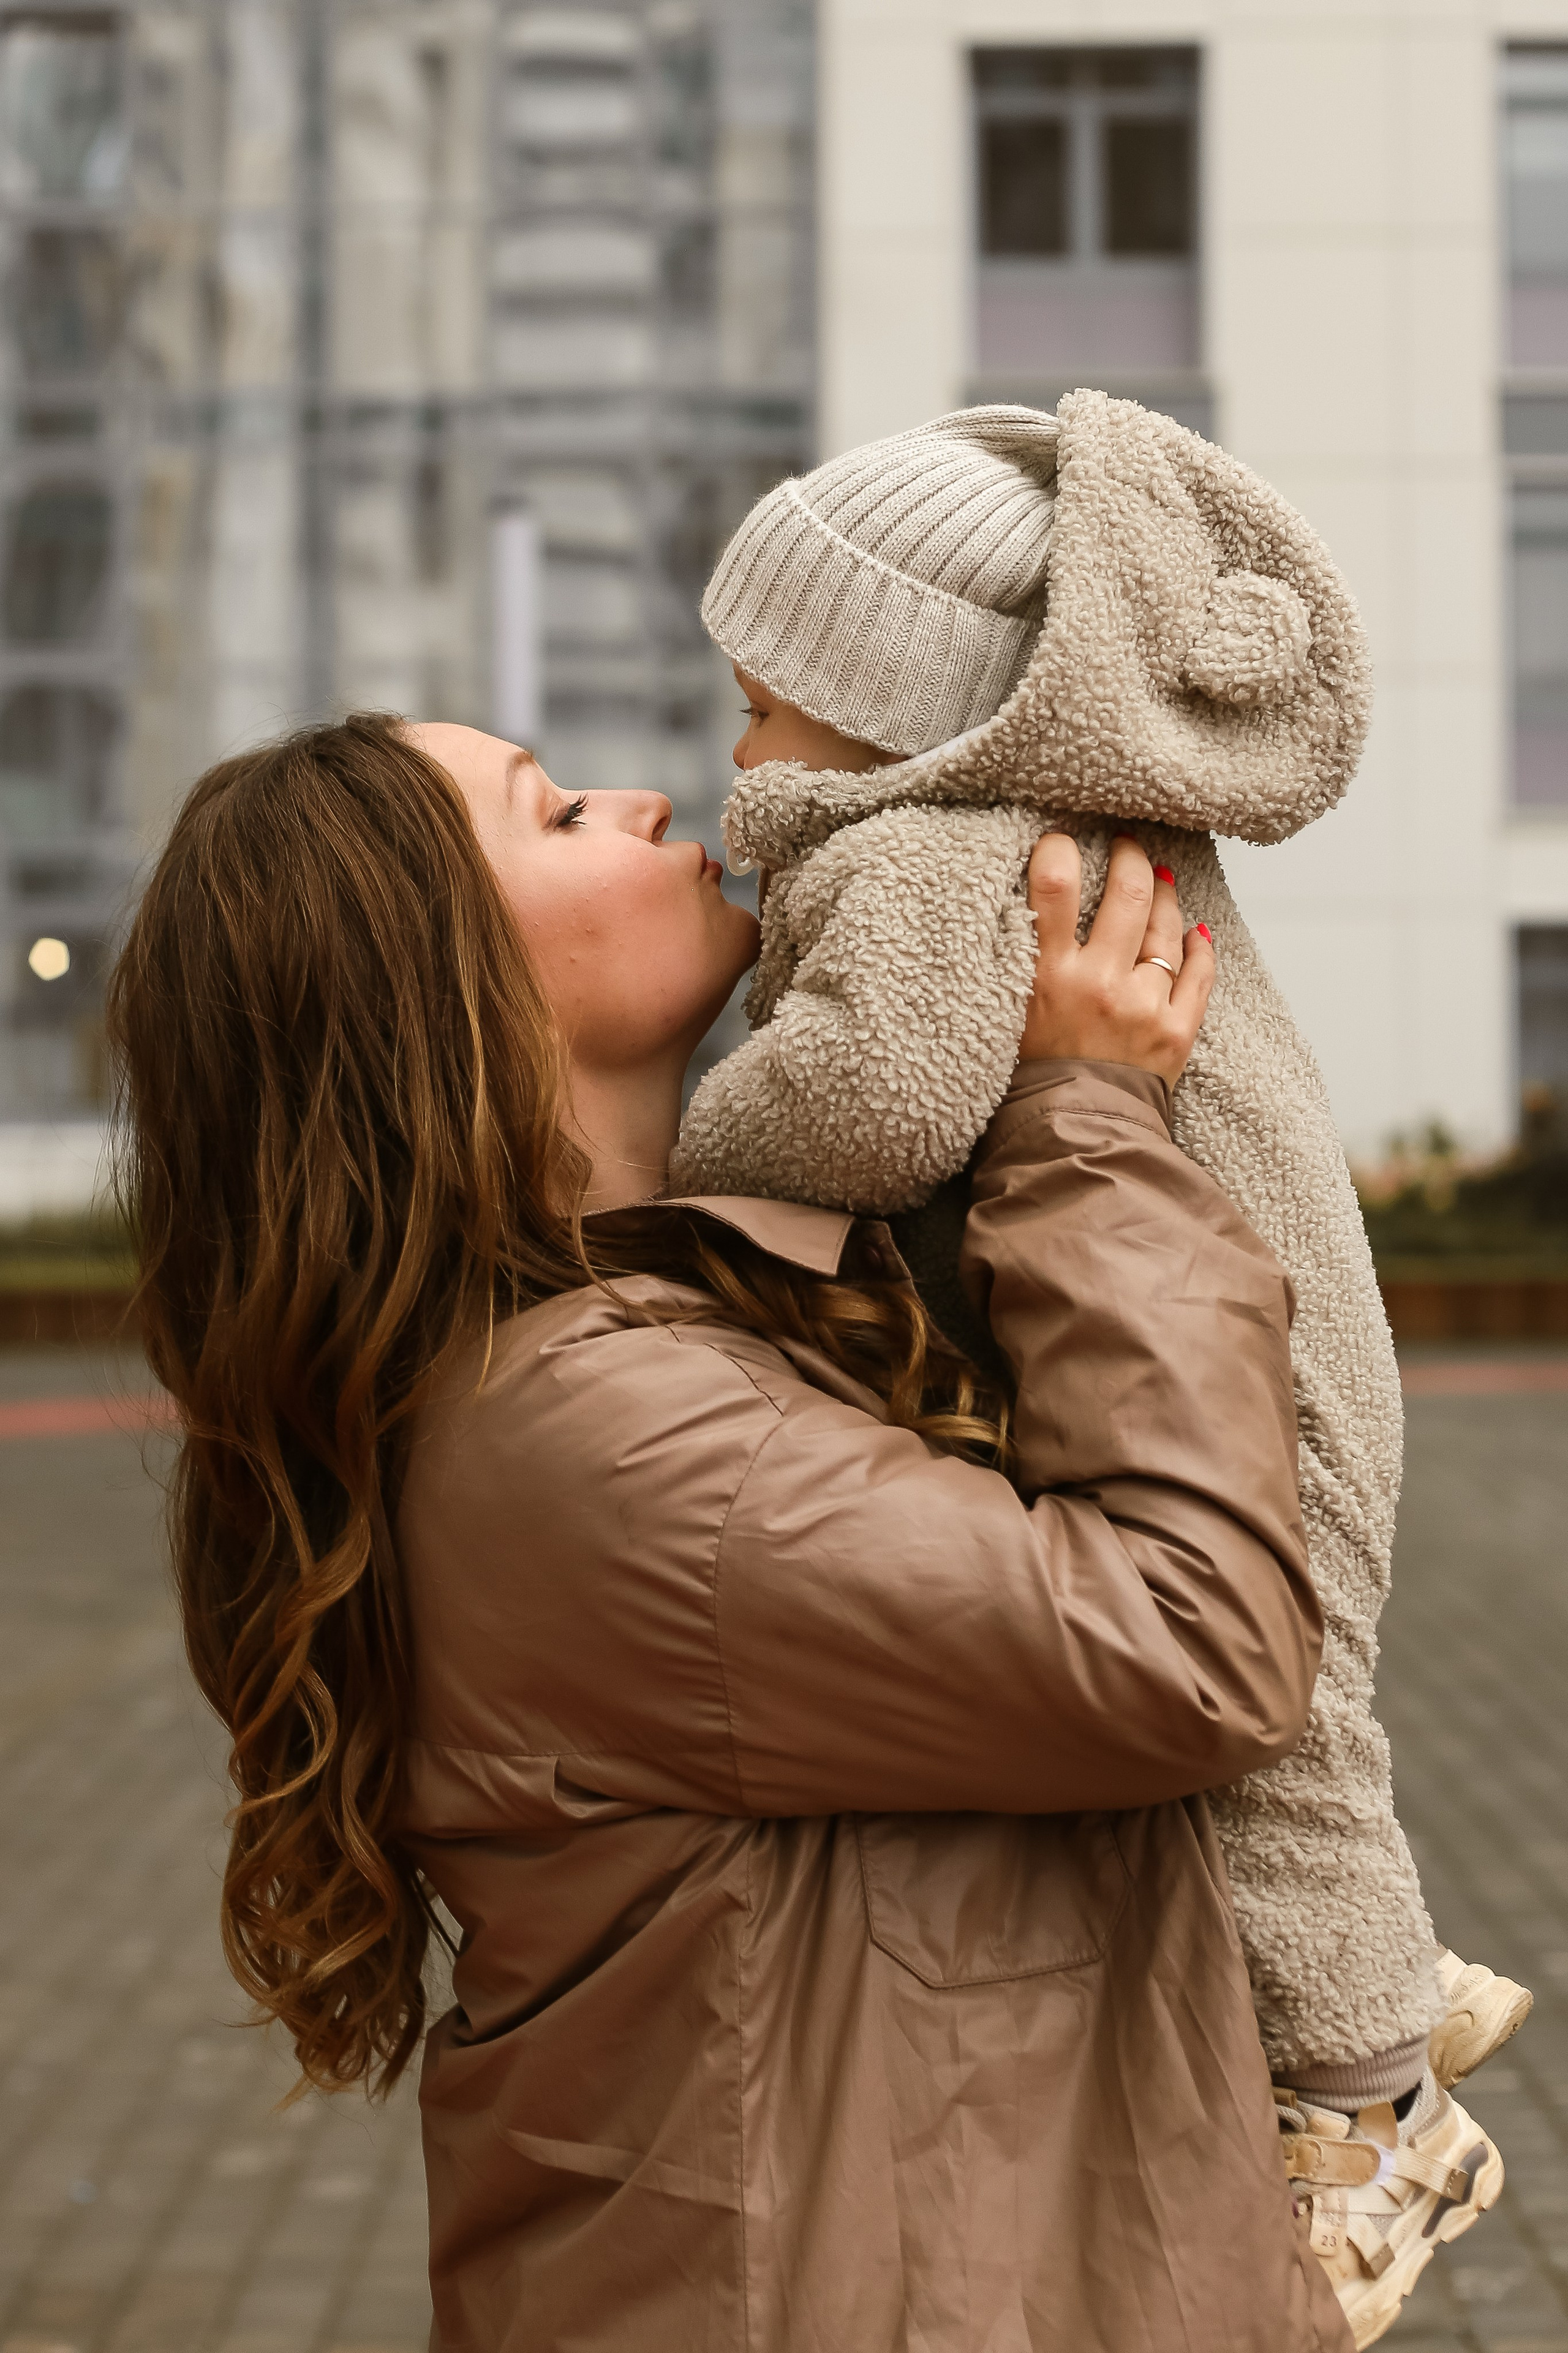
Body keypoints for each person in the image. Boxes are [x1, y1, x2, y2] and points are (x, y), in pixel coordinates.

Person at [113, 709, 1348, 2350]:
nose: (635, 795)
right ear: (441, 990)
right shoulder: (600, 1443)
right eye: (552, 815)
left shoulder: (617, 1352)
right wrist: (1091, 1124)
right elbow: (1196, 1643)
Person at [677, 398, 1523, 2346]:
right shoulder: (1065, 826)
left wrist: (686, 1158)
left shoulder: (923, 854)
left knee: (1262, 1729)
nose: (737, 756)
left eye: (763, 710)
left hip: (1244, 1364)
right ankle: (1399, 1978)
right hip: (1272, 1329)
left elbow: (876, 1099)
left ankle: (1376, 2103)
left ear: (887, 716)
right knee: (1312, 1715)